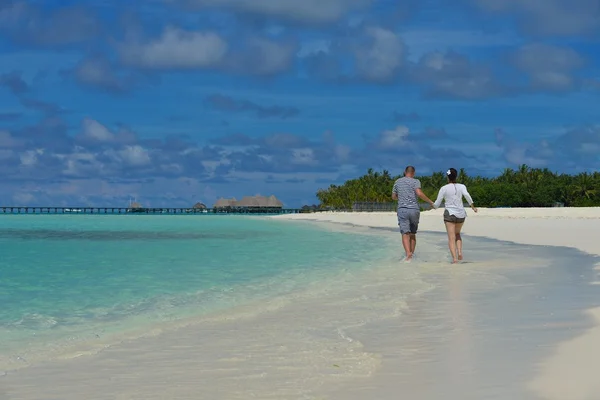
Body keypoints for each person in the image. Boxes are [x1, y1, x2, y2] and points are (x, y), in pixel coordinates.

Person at [432, 168, 478, 264]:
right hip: (461, 214)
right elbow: (467, 195)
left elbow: (437, 204)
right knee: (457, 234)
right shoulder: (462, 186)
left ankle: (454, 259)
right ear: (456, 176)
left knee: (451, 237)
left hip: (450, 214)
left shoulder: (444, 188)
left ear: (447, 177)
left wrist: (431, 204)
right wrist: (473, 207)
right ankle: (460, 252)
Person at [392, 166, 436, 261]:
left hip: (402, 209)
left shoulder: (397, 181)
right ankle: (411, 254)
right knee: (412, 233)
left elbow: (394, 197)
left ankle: (408, 254)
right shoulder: (416, 181)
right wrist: (430, 202)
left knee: (405, 233)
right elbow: (419, 193)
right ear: (414, 173)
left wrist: (401, 196)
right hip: (414, 210)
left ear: (405, 172)